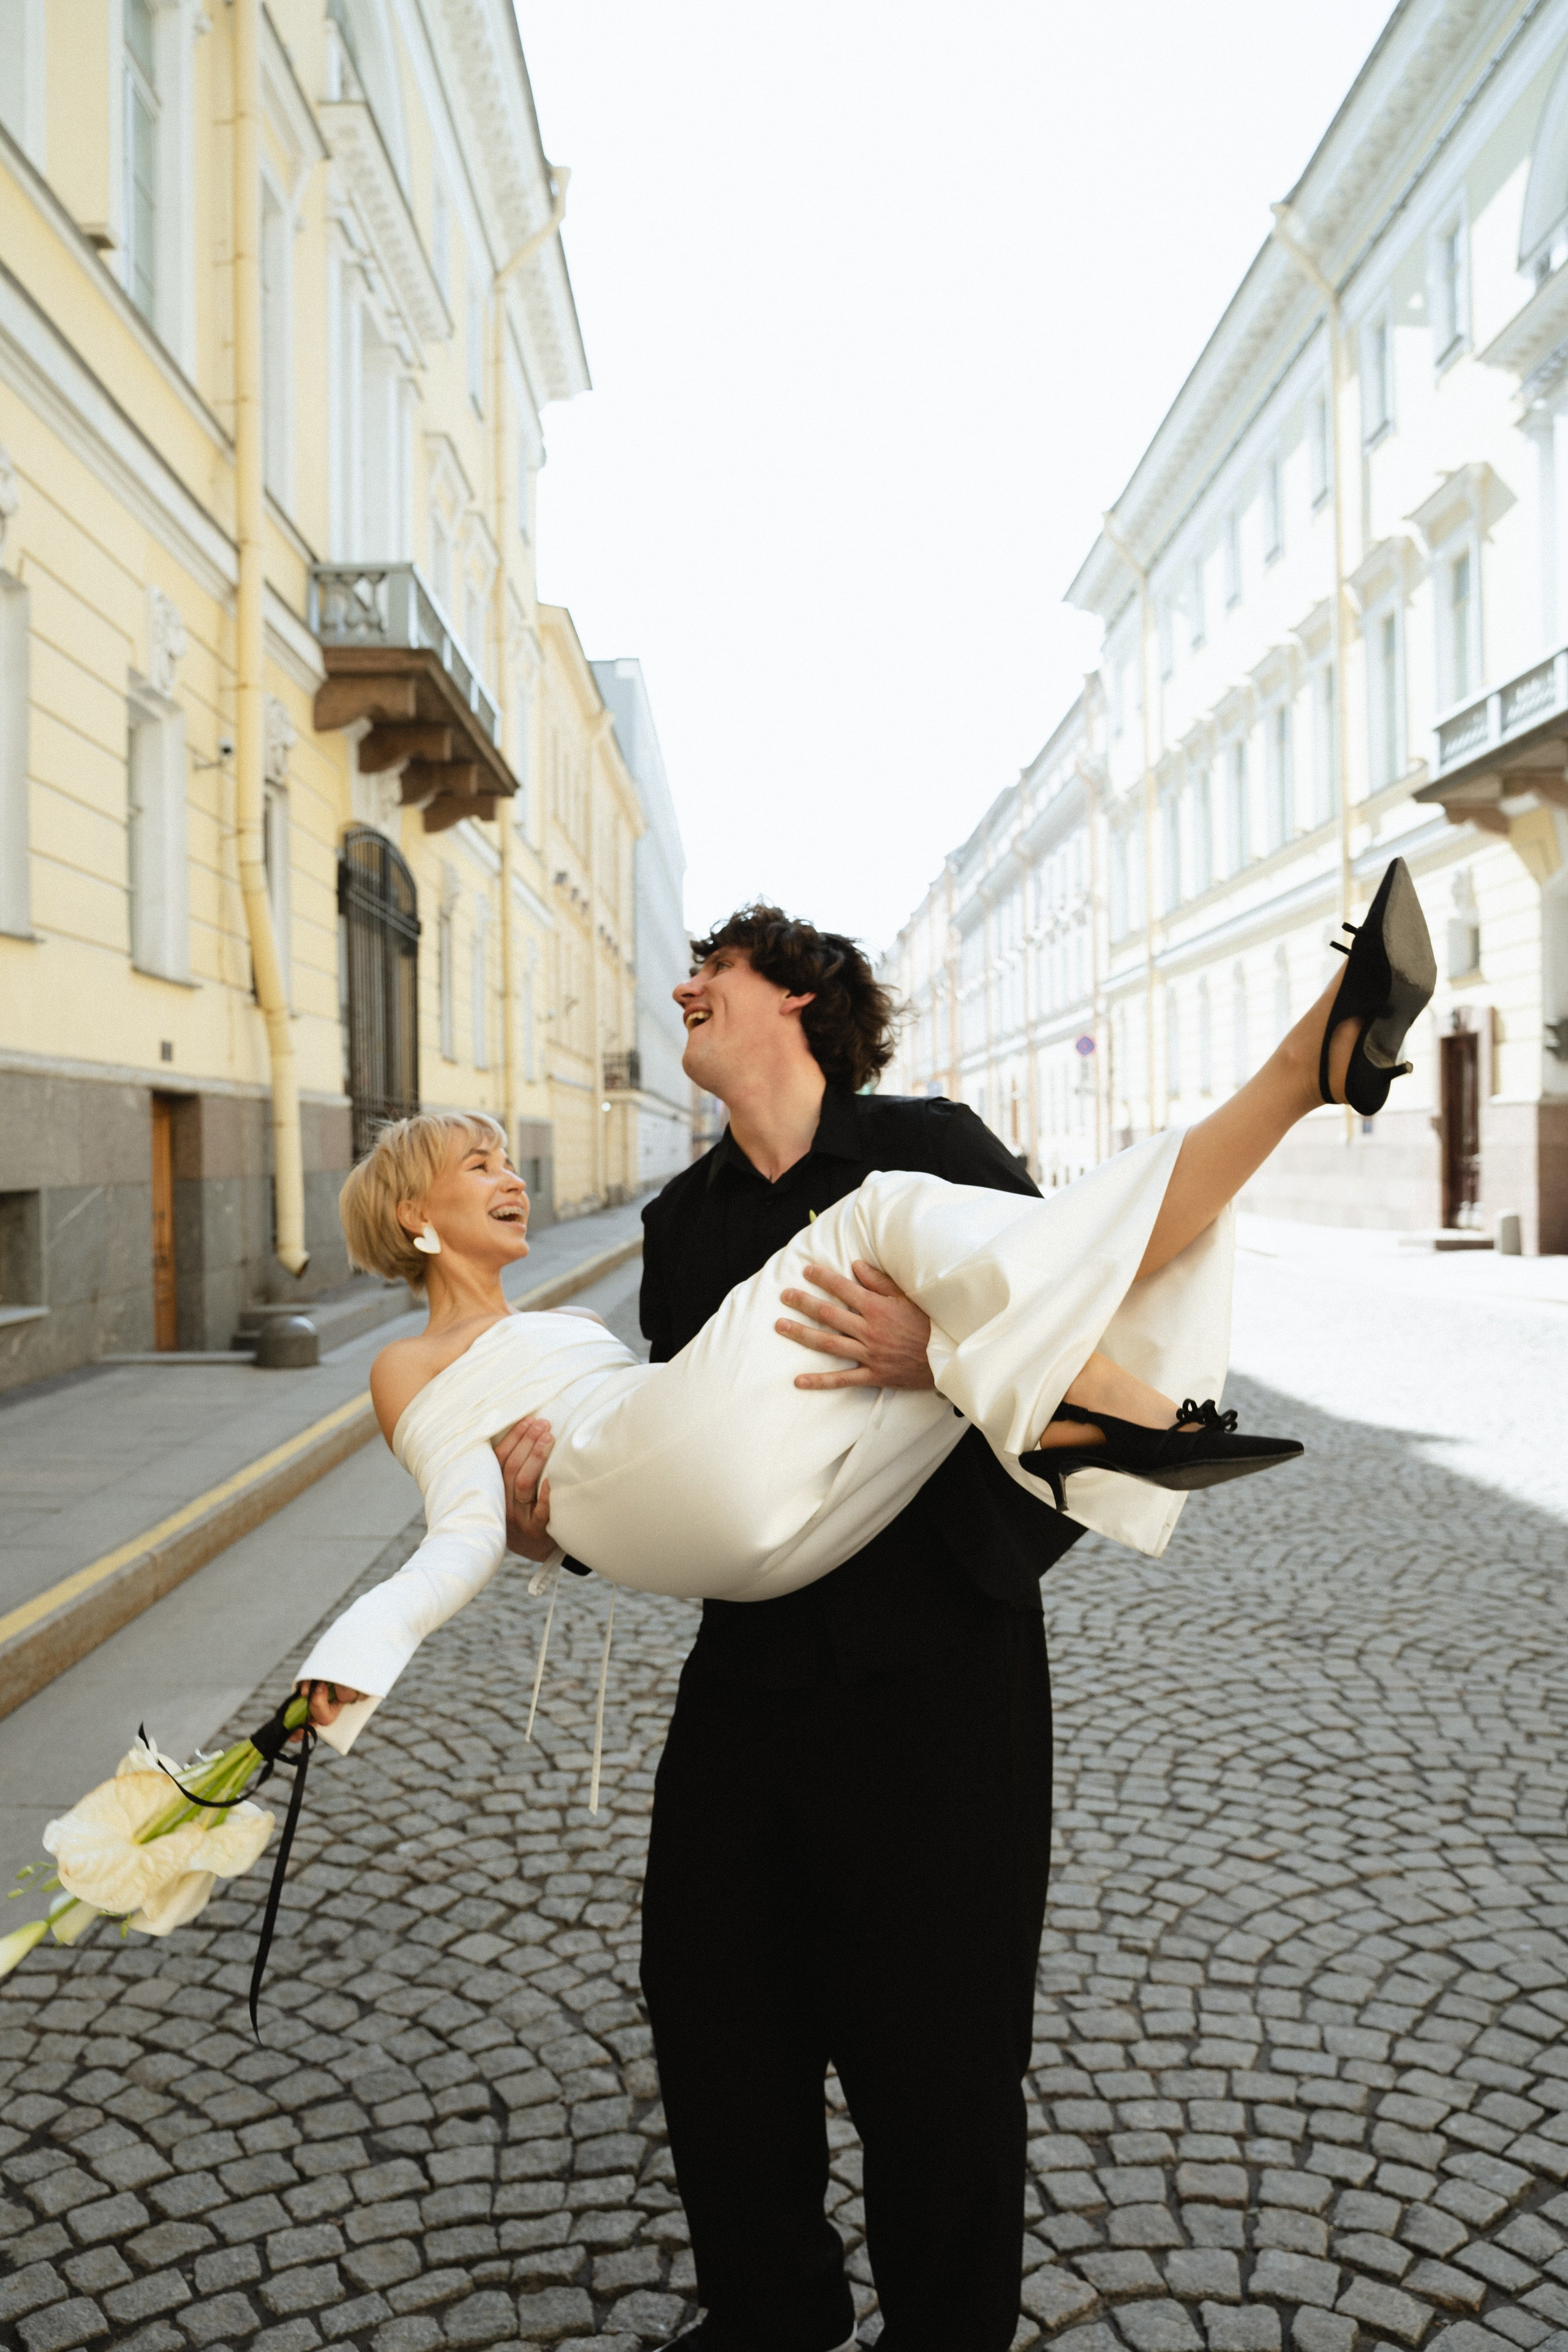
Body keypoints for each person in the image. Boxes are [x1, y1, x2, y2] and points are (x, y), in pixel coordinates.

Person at [472, 860, 1433, 2352]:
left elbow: (1084, 1272)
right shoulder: (680, 1222)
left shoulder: (919, 1147)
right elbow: (690, 1462)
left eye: (708, 963)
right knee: (710, 2012)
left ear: (793, 990)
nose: (680, 988)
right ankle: (770, 2322)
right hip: (753, 1682)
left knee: (939, 2063)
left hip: (938, 1674)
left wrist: (938, 1353)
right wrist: (553, 1529)